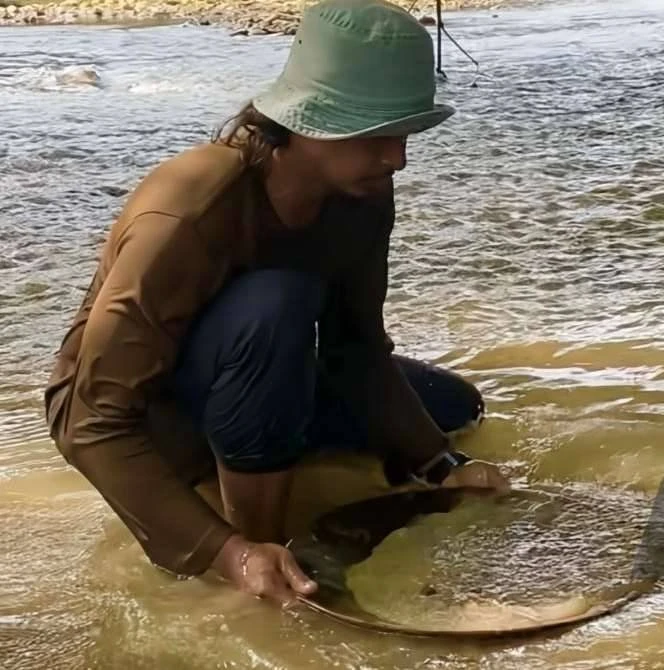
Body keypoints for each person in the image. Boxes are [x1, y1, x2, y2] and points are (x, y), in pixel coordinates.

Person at [43, 0, 510, 609]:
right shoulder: (189, 210)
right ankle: (260, 542)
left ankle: (274, 460)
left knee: (452, 406)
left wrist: (443, 465)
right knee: (278, 300)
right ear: (307, 123)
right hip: (151, 411)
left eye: (403, 135)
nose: (398, 158)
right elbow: (90, 421)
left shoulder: (361, 192)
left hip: (266, 376)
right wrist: (228, 552)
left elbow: (355, 349)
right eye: (378, 136)